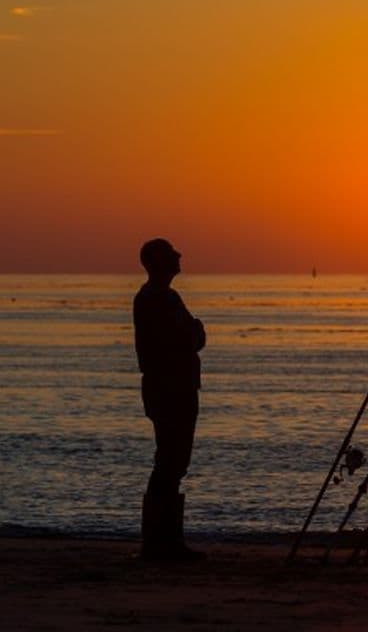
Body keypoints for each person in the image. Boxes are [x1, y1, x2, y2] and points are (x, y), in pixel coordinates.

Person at [134, 238, 207, 560]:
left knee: (173, 462)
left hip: (174, 387)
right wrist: (193, 333)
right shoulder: (157, 299)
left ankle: (164, 541)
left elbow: (193, 337)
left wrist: (193, 334)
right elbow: (190, 337)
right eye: (171, 253)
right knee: (170, 461)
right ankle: (159, 543)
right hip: (170, 390)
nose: (179, 256)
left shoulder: (163, 297)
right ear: (157, 262)